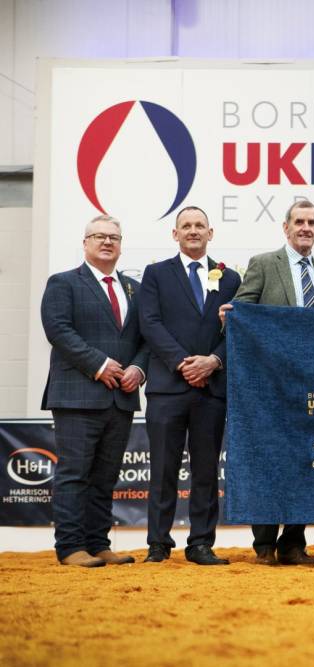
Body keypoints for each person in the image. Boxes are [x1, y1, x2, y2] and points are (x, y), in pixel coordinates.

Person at [221, 199, 314, 565]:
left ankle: (293, 544)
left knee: (308, 461)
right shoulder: (263, 264)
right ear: (286, 228)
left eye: (312, 223)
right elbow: (241, 311)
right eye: (299, 222)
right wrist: (230, 318)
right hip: (269, 385)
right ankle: (264, 545)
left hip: (312, 384)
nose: (305, 228)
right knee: (269, 461)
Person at [40, 215, 149, 567]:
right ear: (85, 242)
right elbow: (58, 330)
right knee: (74, 474)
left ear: (121, 244)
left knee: (105, 476)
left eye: (114, 237)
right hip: (77, 395)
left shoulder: (134, 289)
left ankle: (98, 543)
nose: (107, 241)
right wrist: (99, 365)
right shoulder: (63, 283)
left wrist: (138, 369)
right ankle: (70, 547)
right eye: (99, 236)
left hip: (121, 397)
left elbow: (146, 338)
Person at [139, 206, 241, 566]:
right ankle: (158, 544)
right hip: (168, 388)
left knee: (206, 471)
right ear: (175, 234)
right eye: (186, 226)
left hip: (211, 389)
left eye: (200, 225)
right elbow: (149, 323)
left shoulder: (230, 278)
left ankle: (201, 543)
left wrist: (212, 361)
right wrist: (184, 364)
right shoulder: (155, 274)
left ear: (210, 233)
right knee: (162, 470)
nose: (193, 231)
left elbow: (238, 329)